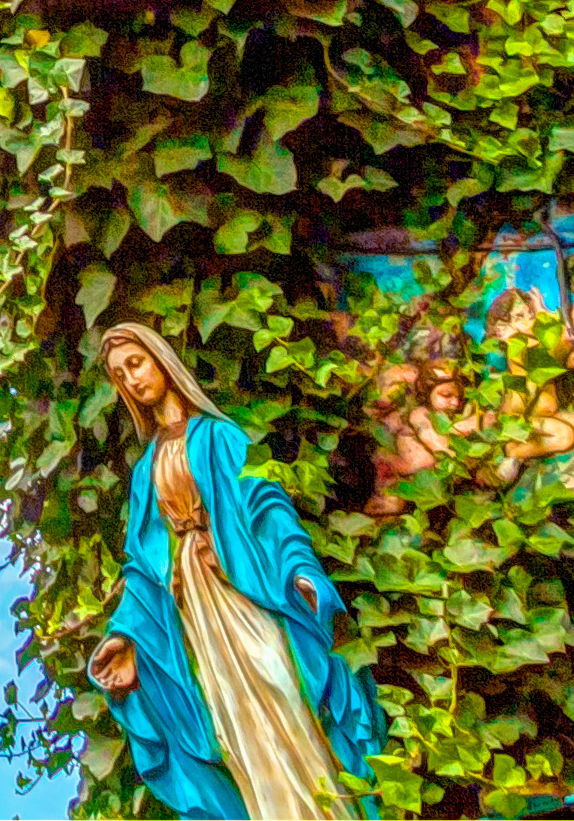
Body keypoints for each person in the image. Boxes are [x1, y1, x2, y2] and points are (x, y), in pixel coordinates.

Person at [84, 324, 385, 821]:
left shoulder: (219, 436)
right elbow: (143, 565)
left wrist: (300, 570)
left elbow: (266, 506)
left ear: (160, 359)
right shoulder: (146, 471)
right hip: (196, 615)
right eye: (120, 376)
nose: (132, 380)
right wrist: (125, 637)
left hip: (245, 589)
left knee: (284, 689)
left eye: (136, 363)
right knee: (232, 727)